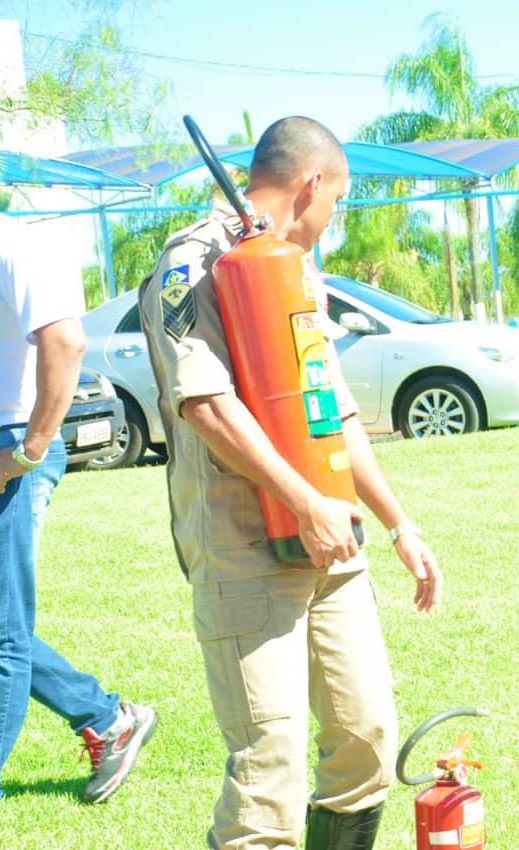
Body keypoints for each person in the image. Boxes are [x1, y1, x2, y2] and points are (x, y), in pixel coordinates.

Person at [138, 115, 442, 850]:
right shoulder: (190, 264)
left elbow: (329, 410)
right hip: (244, 547)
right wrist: (304, 502)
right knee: (267, 781)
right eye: (335, 201)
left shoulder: (294, 270)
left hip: (332, 544)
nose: (332, 220)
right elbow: (204, 403)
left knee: (366, 742)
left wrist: (399, 524)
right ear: (310, 185)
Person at [0, 139, 156, 850]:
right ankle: (107, 718)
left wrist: (32, 449)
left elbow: (65, 343)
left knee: (1, 638)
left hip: (1, 456)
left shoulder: (11, 246)